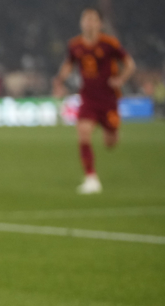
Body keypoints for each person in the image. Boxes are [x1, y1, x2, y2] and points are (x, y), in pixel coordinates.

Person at [53, 8, 136, 194]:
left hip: (108, 99)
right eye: (86, 20)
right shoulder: (75, 45)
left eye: (93, 20)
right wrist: (59, 81)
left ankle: (112, 131)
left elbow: (130, 64)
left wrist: (121, 79)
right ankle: (91, 177)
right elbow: (68, 64)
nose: (89, 24)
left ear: (99, 24)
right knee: (83, 133)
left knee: (110, 143)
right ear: (81, 23)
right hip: (88, 98)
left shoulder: (109, 44)